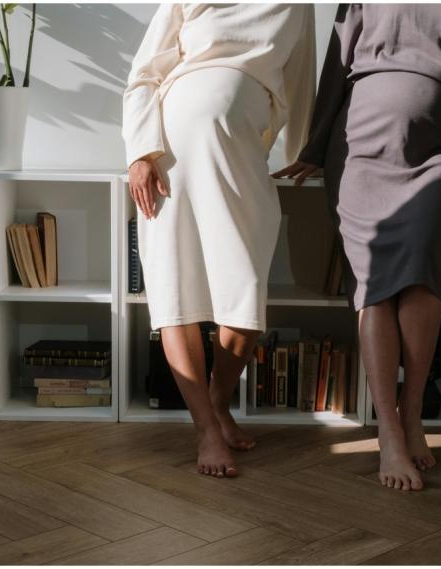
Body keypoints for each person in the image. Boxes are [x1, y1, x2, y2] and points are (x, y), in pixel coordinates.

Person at [274, 4, 441, 491]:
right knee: (373, 285)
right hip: (360, 145)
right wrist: (314, 147)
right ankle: (389, 432)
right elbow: (338, 57)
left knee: (421, 272)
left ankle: (411, 410)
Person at [122, 4, 315, 478]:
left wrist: (305, 150)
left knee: (244, 291)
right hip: (169, 156)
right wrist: (140, 153)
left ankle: (217, 402)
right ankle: (207, 428)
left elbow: (301, 77)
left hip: (239, 150)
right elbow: (145, 72)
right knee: (176, 290)